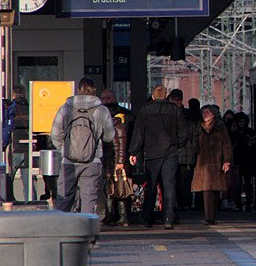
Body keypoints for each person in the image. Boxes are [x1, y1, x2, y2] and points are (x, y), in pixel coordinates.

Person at [51, 77, 115, 214]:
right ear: (94, 91)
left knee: (64, 198)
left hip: (68, 161)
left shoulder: (65, 109)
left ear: (78, 90)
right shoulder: (102, 110)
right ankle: (86, 232)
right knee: (89, 199)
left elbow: (55, 134)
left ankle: (62, 230)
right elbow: (109, 137)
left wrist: (65, 149)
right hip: (93, 160)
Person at [129, 84, 188, 229]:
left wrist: (133, 151)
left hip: (151, 153)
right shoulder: (175, 110)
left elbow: (138, 133)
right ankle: (168, 218)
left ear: (153, 96)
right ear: (166, 96)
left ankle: (147, 218)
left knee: (151, 186)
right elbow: (184, 132)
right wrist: (176, 145)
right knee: (169, 186)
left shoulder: (145, 110)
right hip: (170, 153)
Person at [191, 105, 233, 225]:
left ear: (213, 114)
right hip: (202, 161)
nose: (204, 114)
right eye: (203, 112)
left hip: (216, 161)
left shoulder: (220, 127)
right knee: (207, 189)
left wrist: (226, 161)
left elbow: (226, 144)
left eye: (207, 112)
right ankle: (209, 217)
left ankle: (211, 215)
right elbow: (194, 142)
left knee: (214, 189)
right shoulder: (198, 127)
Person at [169, 88, 199, 211]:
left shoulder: (171, 114)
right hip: (186, 153)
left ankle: (179, 202)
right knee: (184, 180)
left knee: (179, 181)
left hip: (178, 152)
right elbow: (195, 134)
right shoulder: (189, 115)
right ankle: (182, 202)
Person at [103, 109, 132, 226]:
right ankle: (113, 215)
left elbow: (121, 146)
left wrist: (120, 162)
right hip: (111, 160)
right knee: (112, 187)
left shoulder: (117, 126)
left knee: (118, 187)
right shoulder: (116, 126)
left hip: (114, 161)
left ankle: (121, 216)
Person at [2, 85, 30, 203]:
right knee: (28, 181)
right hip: (28, 148)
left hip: (15, 147)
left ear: (13, 95)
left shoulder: (11, 109)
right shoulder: (30, 108)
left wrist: (3, 145)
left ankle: (9, 201)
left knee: (9, 179)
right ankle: (30, 202)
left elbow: (7, 128)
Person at [233, 112, 256, 212]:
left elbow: (255, 144)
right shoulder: (235, 132)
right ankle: (238, 202)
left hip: (247, 160)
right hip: (238, 160)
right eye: (240, 121)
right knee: (238, 182)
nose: (242, 123)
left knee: (247, 182)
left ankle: (247, 203)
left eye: (243, 121)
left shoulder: (249, 132)